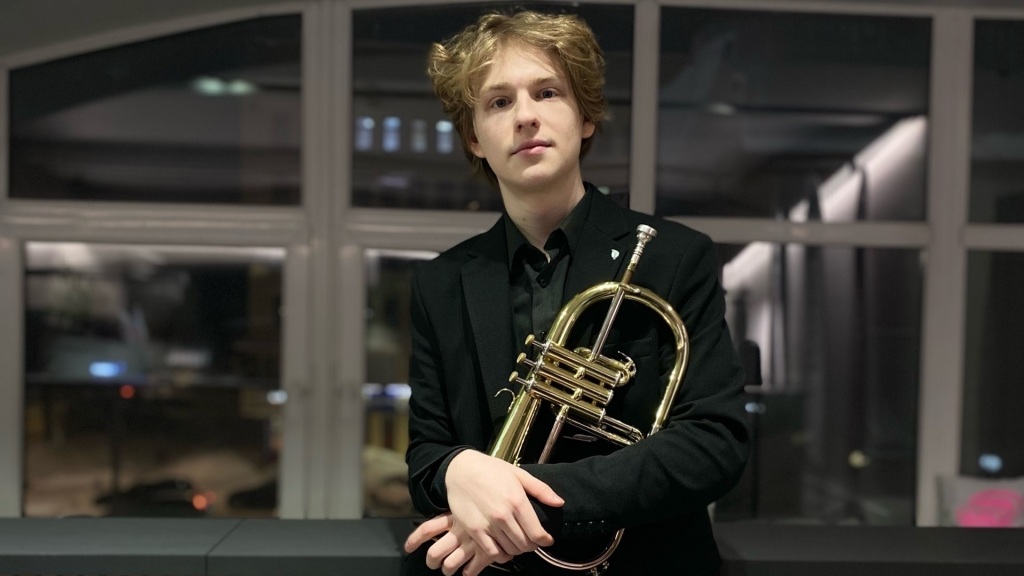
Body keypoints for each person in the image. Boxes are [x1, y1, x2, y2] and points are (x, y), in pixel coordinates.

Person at [402, 9, 748, 576]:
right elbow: (425, 456)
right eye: (499, 102)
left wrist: (524, 501)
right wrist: (456, 470)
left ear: (585, 117)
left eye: (547, 93)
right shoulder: (440, 282)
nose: (525, 116)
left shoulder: (675, 257)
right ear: (474, 138)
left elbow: (713, 444)